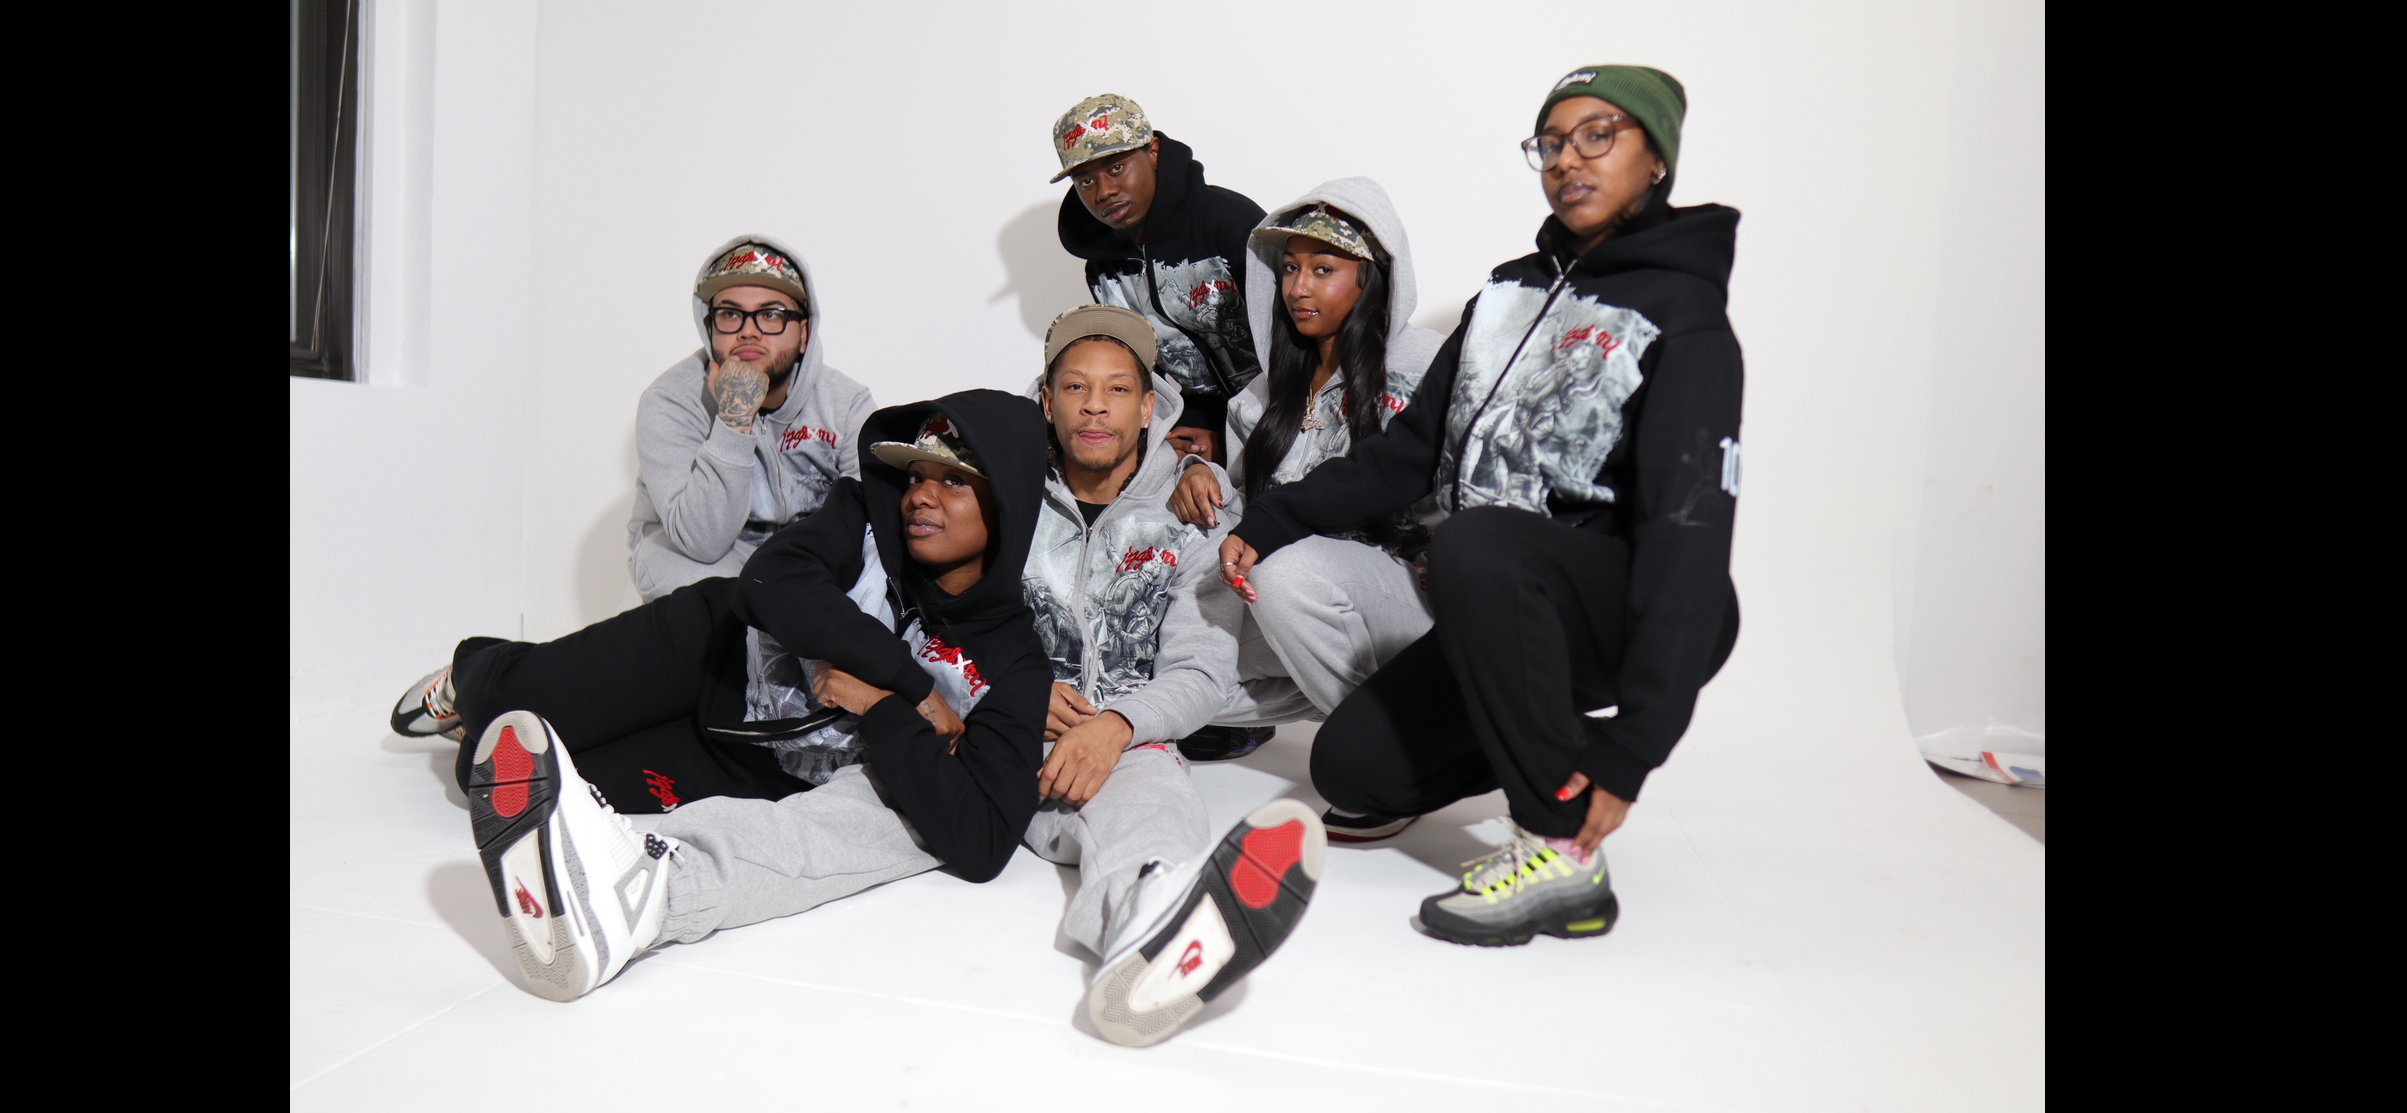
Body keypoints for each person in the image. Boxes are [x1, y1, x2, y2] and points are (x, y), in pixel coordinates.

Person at [392, 389, 1326, 1046]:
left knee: (516, 778)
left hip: (749, 759)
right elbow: (772, 583)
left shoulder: (1015, 660)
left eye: (951, 481)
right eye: (916, 475)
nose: (920, 494)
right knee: (508, 705)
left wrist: (882, 710)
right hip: (703, 654)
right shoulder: (863, 515)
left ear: (1004, 503)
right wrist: (911, 688)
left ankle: (604, 891)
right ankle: (471, 673)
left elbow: (978, 840)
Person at [1217, 65, 1744, 947]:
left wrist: (1635, 747)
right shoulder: (1504, 296)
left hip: (1620, 603)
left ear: (1656, 158)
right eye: (1551, 142)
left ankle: (1559, 853)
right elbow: (1408, 453)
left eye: (1597, 135)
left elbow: (1686, 536)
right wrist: (1272, 518)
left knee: (1476, 541)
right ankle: (1549, 745)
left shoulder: (1683, 315)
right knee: (1348, 768)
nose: (1567, 159)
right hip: (1493, 597)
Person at [1165, 181, 1448, 837]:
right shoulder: (1261, 395)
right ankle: (1345, 705)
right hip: (1301, 607)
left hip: (1412, 599)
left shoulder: (1427, 365)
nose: (1298, 287)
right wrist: (1196, 472)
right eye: (1290, 268)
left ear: (1371, 278)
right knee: (1162, 658)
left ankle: (1398, 763)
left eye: (1323, 269)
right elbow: (1241, 510)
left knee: (1281, 573)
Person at [627, 236, 878, 600]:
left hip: (804, 556)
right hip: (701, 556)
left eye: (771, 314)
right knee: (708, 597)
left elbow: (869, 527)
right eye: (730, 314)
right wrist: (735, 416)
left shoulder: (846, 404)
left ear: (804, 333)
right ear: (710, 328)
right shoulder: (670, 401)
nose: (748, 330)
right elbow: (701, 540)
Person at [1050, 94, 1263, 465]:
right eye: (1086, 181)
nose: (1104, 192)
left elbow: (1302, 343)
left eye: (1117, 168)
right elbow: (1148, 370)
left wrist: (1238, 434)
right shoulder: (1104, 270)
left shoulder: (1225, 222)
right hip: (1203, 425)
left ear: (1153, 152)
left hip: (1289, 412)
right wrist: (1196, 428)